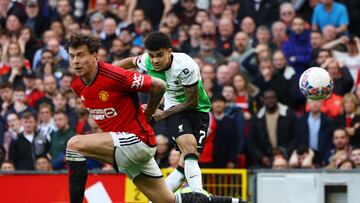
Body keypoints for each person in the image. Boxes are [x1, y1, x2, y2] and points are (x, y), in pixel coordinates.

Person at [66, 34, 244, 203]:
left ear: (95, 56)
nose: (75, 61)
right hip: (129, 147)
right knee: (166, 200)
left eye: (80, 55)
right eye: (72, 56)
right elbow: (130, 63)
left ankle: (198, 190)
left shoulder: (182, 66)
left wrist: (151, 113)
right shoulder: (77, 83)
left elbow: (160, 86)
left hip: (142, 137)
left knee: (74, 145)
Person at [115, 32, 211, 193]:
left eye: (159, 55)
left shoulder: (185, 66)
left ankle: (156, 200)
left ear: (169, 51)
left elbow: (191, 102)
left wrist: (162, 114)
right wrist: (104, 73)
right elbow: (131, 62)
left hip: (198, 110)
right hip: (174, 111)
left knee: (184, 165)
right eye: (151, 56)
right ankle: (199, 194)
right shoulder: (147, 61)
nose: (155, 60)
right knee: (189, 147)